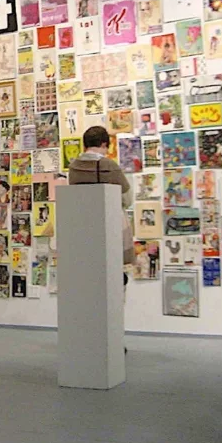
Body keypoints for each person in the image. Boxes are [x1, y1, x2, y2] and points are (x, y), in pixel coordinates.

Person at [68, 126, 134, 352]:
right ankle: (114, 337)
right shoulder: (109, 166)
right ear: (105, 144)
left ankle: (88, 338)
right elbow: (127, 198)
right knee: (115, 284)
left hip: (82, 234)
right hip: (109, 231)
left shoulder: (74, 167)